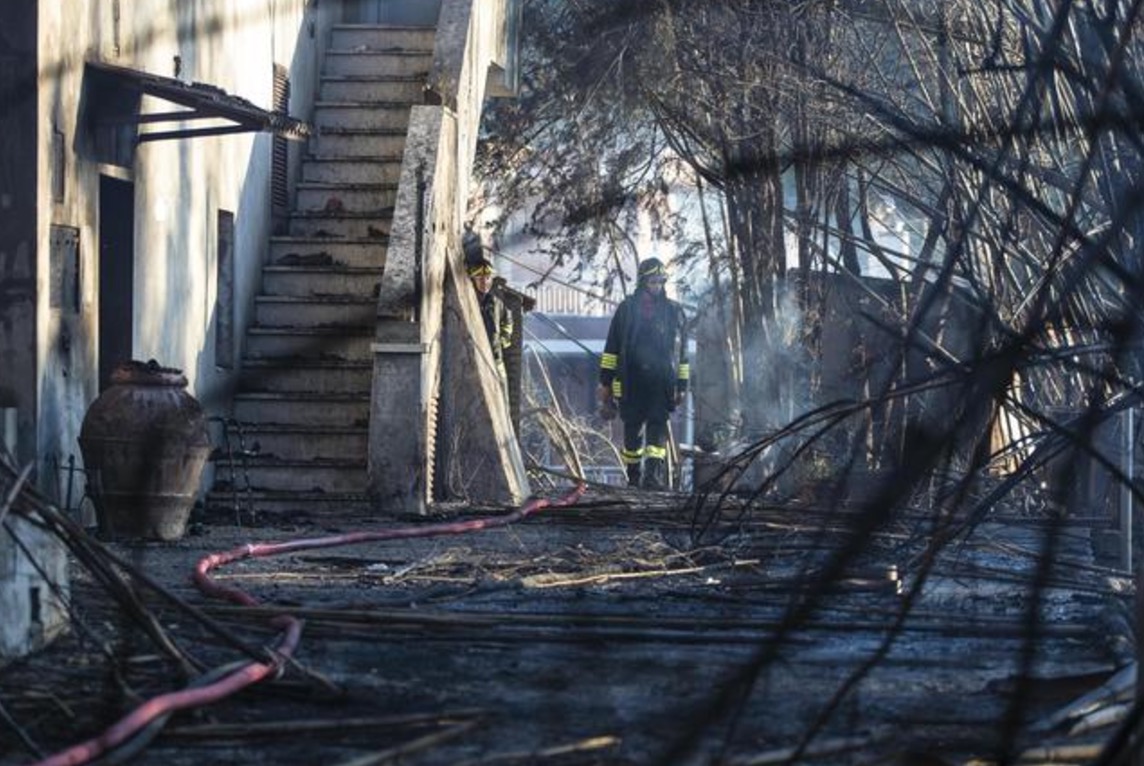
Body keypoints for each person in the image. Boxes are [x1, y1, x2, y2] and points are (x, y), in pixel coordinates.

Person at [597, 257, 690, 490]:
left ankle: (652, 478)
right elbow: (611, 349)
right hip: (631, 381)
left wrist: (682, 386)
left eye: (660, 281)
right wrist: (606, 383)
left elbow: (682, 355)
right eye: (652, 281)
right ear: (642, 282)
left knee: (657, 430)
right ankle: (633, 477)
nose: (657, 286)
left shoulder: (674, 312)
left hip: (661, 382)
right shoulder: (627, 310)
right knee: (632, 430)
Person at [468, 256, 513, 384]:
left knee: (501, 385)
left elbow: (508, 320)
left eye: (488, 278)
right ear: (473, 280)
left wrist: (502, 340)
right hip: (474, 357)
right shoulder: (468, 302)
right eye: (480, 278)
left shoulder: (496, 302)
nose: (485, 282)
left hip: (496, 356)